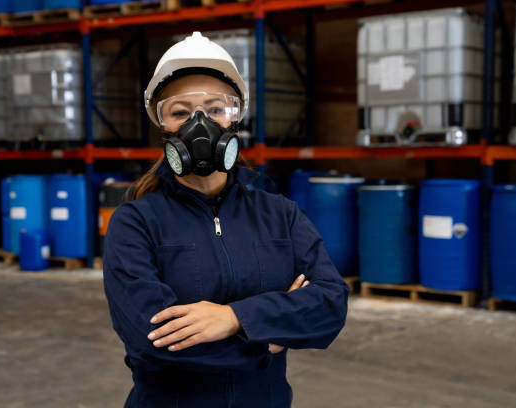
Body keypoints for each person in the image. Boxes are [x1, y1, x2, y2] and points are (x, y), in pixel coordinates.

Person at [103, 31, 350, 408]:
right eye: (181, 112)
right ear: (161, 124)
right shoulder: (135, 222)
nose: (199, 125)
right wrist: (270, 337)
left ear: (235, 119)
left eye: (216, 109)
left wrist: (235, 318)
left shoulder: (279, 214)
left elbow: (330, 305)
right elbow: (155, 340)